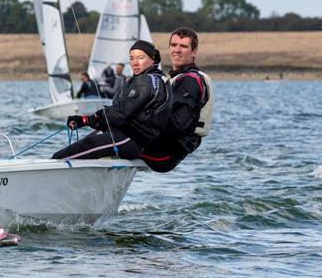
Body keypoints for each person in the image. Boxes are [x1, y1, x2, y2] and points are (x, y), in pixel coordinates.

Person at [53, 41, 170, 160]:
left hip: (130, 139)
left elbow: (121, 113)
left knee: (61, 157)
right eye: (131, 58)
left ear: (153, 59)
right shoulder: (155, 79)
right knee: (74, 150)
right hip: (125, 137)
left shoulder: (146, 81)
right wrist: (85, 120)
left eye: (140, 58)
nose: (135, 63)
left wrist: (87, 120)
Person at [140, 27, 213, 173]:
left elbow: (177, 124)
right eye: (174, 45)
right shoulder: (176, 78)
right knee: (110, 135)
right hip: (162, 146)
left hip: (165, 152)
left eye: (184, 46)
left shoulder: (189, 81)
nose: (177, 50)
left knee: (109, 138)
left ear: (194, 52)